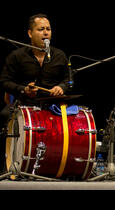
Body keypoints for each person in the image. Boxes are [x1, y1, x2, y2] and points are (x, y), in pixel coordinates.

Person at [0, 13, 70, 172]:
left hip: (52, 106)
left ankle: (58, 165)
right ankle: (6, 166)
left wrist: (62, 87)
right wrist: (23, 89)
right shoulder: (16, 56)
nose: (46, 33)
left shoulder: (59, 55)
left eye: (48, 29)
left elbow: (68, 80)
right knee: (3, 115)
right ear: (30, 33)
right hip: (23, 105)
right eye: (41, 29)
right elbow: (4, 81)